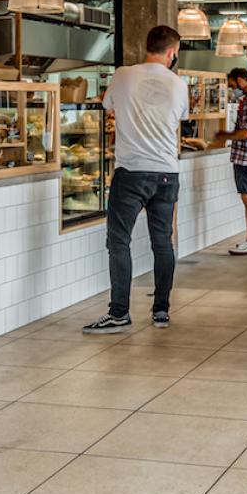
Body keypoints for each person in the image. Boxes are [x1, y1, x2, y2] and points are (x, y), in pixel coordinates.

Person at [84, 25, 189, 334]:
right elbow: (179, 118)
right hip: (167, 173)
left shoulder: (123, 75)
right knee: (162, 242)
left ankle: (119, 313)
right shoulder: (179, 85)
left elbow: (108, 106)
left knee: (119, 241)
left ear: (147, 47)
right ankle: (161, 311)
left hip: (130, 172)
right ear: (172, 53)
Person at [214, 67, 247, 255]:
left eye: (231, 85)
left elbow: (246, 132)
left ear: (239, 80)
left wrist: (225, 135)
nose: (231, 89)